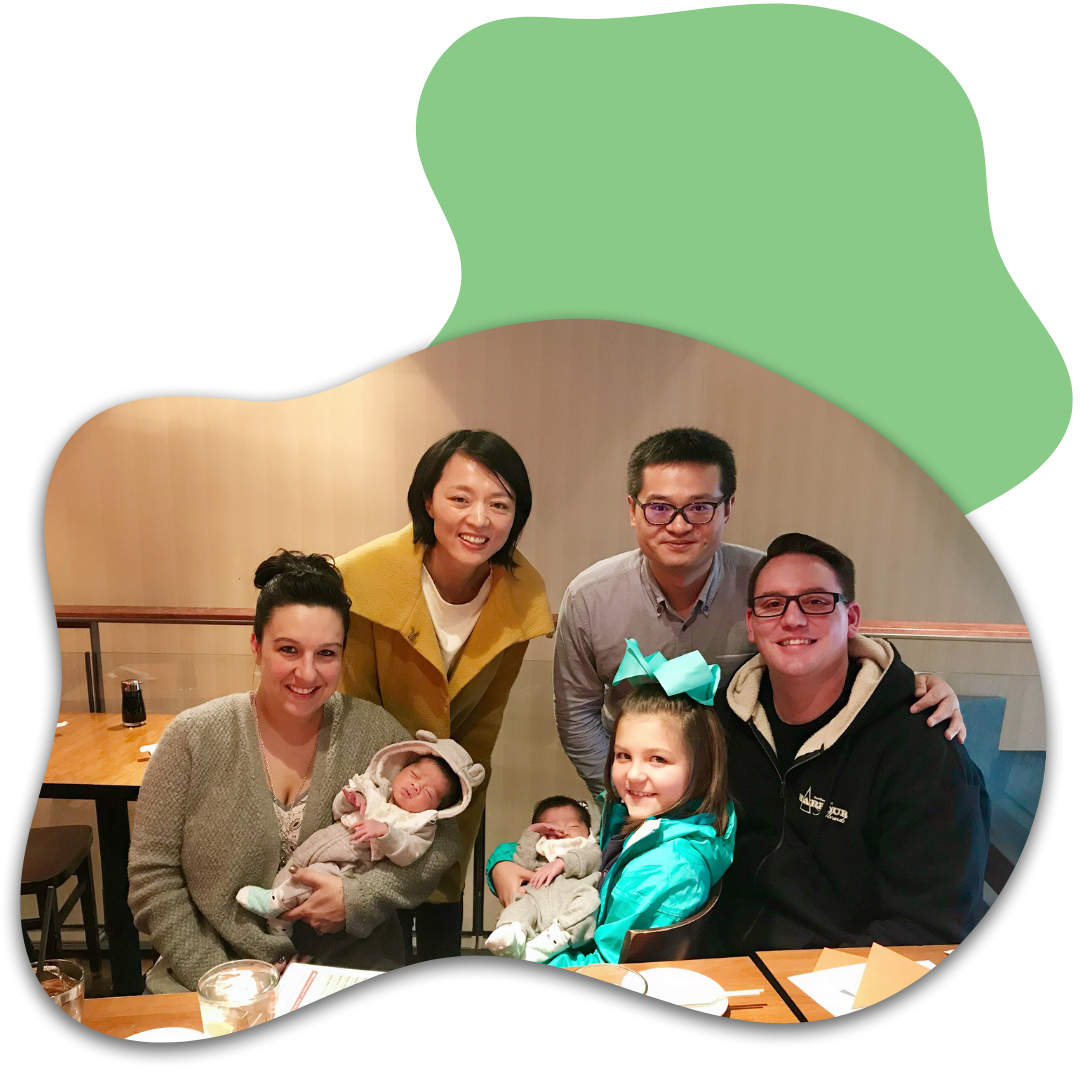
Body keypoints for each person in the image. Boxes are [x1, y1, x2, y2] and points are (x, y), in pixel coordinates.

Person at [552, 426, 966, 799]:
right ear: (632, 509)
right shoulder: (590, 599)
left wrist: (913, 684)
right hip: (636, 789)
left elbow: (823, 647)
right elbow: (577, 715)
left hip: (749, 790)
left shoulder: (769, 587)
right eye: (659, 507)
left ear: (727, 508)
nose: (678, 526)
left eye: (700, 507)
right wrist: (623, 795)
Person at [128, 552, 460, 993]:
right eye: (288, 650)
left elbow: (443, 839)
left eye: (326, 653)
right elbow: (153, 879)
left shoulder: (375, 735)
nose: (307, 672)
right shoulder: (194, 737)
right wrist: (221, 979)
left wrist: (358, 899)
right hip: (211, 976)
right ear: (256, 646)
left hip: (346, 975)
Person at [710, 533, 990, 953]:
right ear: (751, 624)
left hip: (839, 972)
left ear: (852, 617)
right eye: (772, 604)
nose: (793, 619)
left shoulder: (923, 749)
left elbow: (931, 930)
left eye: (816, 602)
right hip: (719, 962)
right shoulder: (725, 722)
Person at [336, 430, 554, 960]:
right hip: (370, 778)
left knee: (440, 906)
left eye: (499, 504)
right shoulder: (363, 578)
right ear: (427, 500)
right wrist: (381, 798)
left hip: (451, 784)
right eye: (460, 498)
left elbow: (486, 721)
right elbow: (352, 707)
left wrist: (452, 801)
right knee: (370, 925)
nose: (479, 519)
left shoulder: (520, 595)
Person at [488, 654, 737, 968]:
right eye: (623, 755)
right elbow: (581, 850)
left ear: (700, 766)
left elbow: (606, 967)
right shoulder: (632, 815)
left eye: (658, 759)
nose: (634, 775)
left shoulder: (665, 870)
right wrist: (500, 863)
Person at [236, 731, 483, 929]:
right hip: (323, 841)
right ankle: (278, 924)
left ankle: (275, 901)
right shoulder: (377, 789)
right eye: (414, 775)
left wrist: (386, 832)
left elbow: (409, 853)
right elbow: (338, 811)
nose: (415, 786)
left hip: (350, 863)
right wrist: (351, 799)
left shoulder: (418, 824)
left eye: (427, 792)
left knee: (313, 877)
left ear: (436, 809)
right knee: (293, 867)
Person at [484, 796, 602, 962]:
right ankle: (510, 933)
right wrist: (531, 833)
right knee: (520, 905)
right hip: (537, 898)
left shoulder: (588, 846)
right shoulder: (542, 849)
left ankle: (555, 938)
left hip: (574, 897)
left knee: (589, 902)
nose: (563, 833)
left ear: (588, 830)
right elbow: (523, 862)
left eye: (573, 826)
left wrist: (562, 863)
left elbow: (593, 858)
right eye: (552, 830)